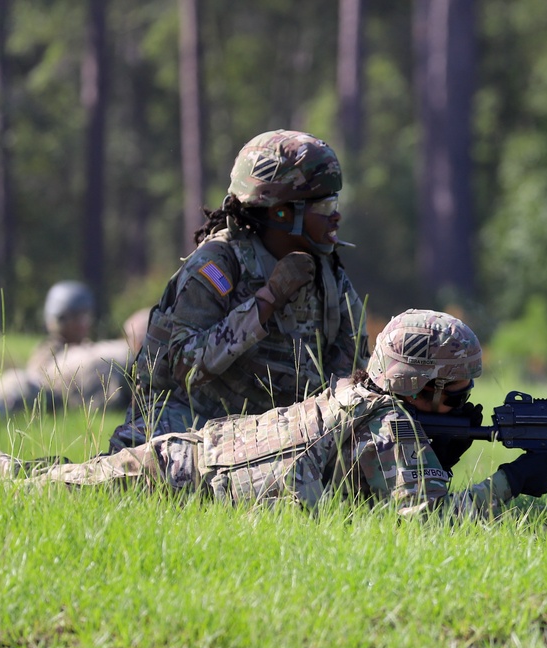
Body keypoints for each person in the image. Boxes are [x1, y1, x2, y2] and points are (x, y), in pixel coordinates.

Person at [0, 310, 547, 517]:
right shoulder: (385, 422)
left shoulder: (363, 400)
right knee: (22, 488)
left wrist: (436, 453)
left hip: (185, 462)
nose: (462, 403)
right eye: (456, 392)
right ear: (422, 386)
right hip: (170, 475)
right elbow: (430, 528)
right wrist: (511, 481)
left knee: (38, 477)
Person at [108, 129, 368, 454]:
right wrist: (267, 301)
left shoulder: (329, 275)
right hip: (188, 427)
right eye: (325, 205)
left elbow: (352, 374)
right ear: (281, 212)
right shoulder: (219, 264)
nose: (336, 215)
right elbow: (185, 368)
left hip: (272, 437)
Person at [0, 281, 134, 418]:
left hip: (42, 392)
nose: (86, 323)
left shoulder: (91, 351)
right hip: (35, 388)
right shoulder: (51, 349)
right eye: (80, 317)